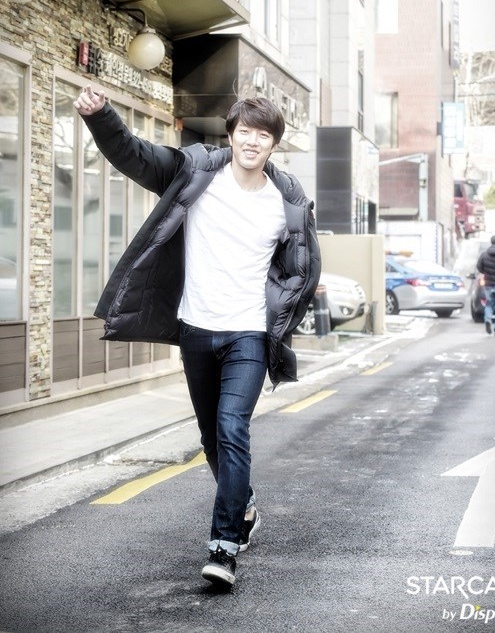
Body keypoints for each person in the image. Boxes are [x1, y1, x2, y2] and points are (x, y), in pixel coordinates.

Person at [74, 86, 321, 588]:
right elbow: (136, 155)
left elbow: (304, 269)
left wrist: (281, 319)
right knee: (211, 437)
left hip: (248, 332)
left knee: (232, 429)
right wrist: (101, 116)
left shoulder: (287, 202)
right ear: (231, 135)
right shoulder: (196, 171)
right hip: (197, 328)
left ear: (274, 144)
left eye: (264, 135)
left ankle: (223, 547)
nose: (252, 141)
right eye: (245, 131)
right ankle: (244, 503)